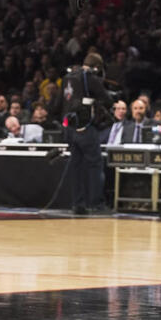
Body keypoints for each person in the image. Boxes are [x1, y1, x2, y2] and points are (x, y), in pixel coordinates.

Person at [63, 53, 116, 214]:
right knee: (95, 165)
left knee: (76, 167)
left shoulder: (68, 77)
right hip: (86, 127)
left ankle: (77, 204)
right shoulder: (89, 77)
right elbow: (107, 99)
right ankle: (96, 204)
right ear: (97, 67)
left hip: (70, 128)